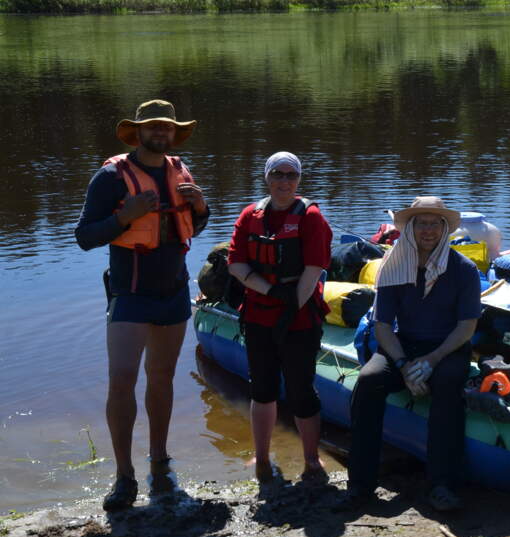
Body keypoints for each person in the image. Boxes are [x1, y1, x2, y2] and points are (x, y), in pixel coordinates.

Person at [75, 99, 209, 511]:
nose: (161, 133)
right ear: (138, 131)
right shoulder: (111, 177)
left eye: (167, 127)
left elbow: (193, 224)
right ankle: (123, 477)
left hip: (173, 293)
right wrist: (123, 218)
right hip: (129, 294)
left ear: (174, 132)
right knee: (121, 381)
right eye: (153, 127)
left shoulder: (180, 171)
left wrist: (202, 207)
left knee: (163, 379)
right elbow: (84, 236)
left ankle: (159, 463)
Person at [348, 196, 480, 512]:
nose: (428, 230)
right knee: (367, 382)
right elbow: (381, 326)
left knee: (447, 385)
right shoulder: (394, 265)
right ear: (410, 228)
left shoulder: (464, 270)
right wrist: (405, 366)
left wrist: (432, 361)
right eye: (421, 223)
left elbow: (466, 327)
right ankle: (360, 486)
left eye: (436, 223)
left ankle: (442, 485)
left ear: (445, 228)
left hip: (448, 349)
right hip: (403, 347)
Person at [226, 152, 332, 484]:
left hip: (299, 317)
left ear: (298, 180)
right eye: (277, 174)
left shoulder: (311, 217)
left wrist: (292, 308)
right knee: (262, 389)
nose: (284, 181)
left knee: (301, 389)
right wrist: (271, 294)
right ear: (267, 177)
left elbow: (314, 268)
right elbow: (237, 264)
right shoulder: (250, 215)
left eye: (291, 175)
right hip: (259, 314)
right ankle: (261, 455)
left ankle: (311, 459)